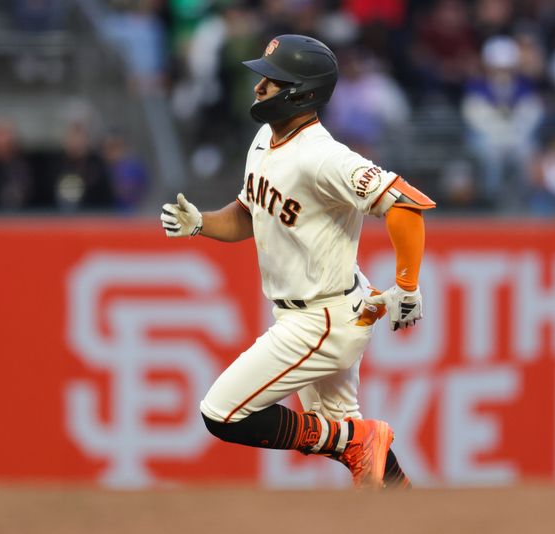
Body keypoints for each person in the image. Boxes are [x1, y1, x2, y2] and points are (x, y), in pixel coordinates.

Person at [160, 34, 435, 489]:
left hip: (322, 319)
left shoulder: (322, 157)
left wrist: (407, 284)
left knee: (222, 413)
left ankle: (354, 437)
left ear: (300, 91)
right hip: (319, 309)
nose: (258, 87)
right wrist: (201, 223)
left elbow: (405, 204)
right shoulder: (265, 140)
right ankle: (413, 512)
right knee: (366, 466)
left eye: (271, 80)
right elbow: (249, 213)